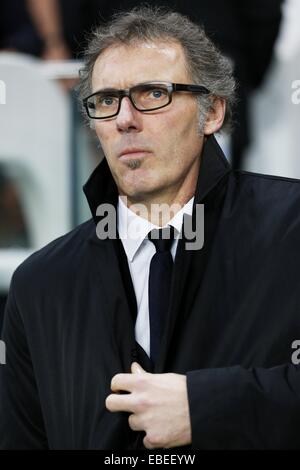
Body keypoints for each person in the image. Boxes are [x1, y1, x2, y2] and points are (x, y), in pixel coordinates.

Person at [0, 7, 300, 450]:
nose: (125, 119)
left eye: (152, 94)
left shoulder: (291, 232)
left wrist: (205, 407)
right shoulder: (41, 283)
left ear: (212, 111)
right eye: (106, 100)